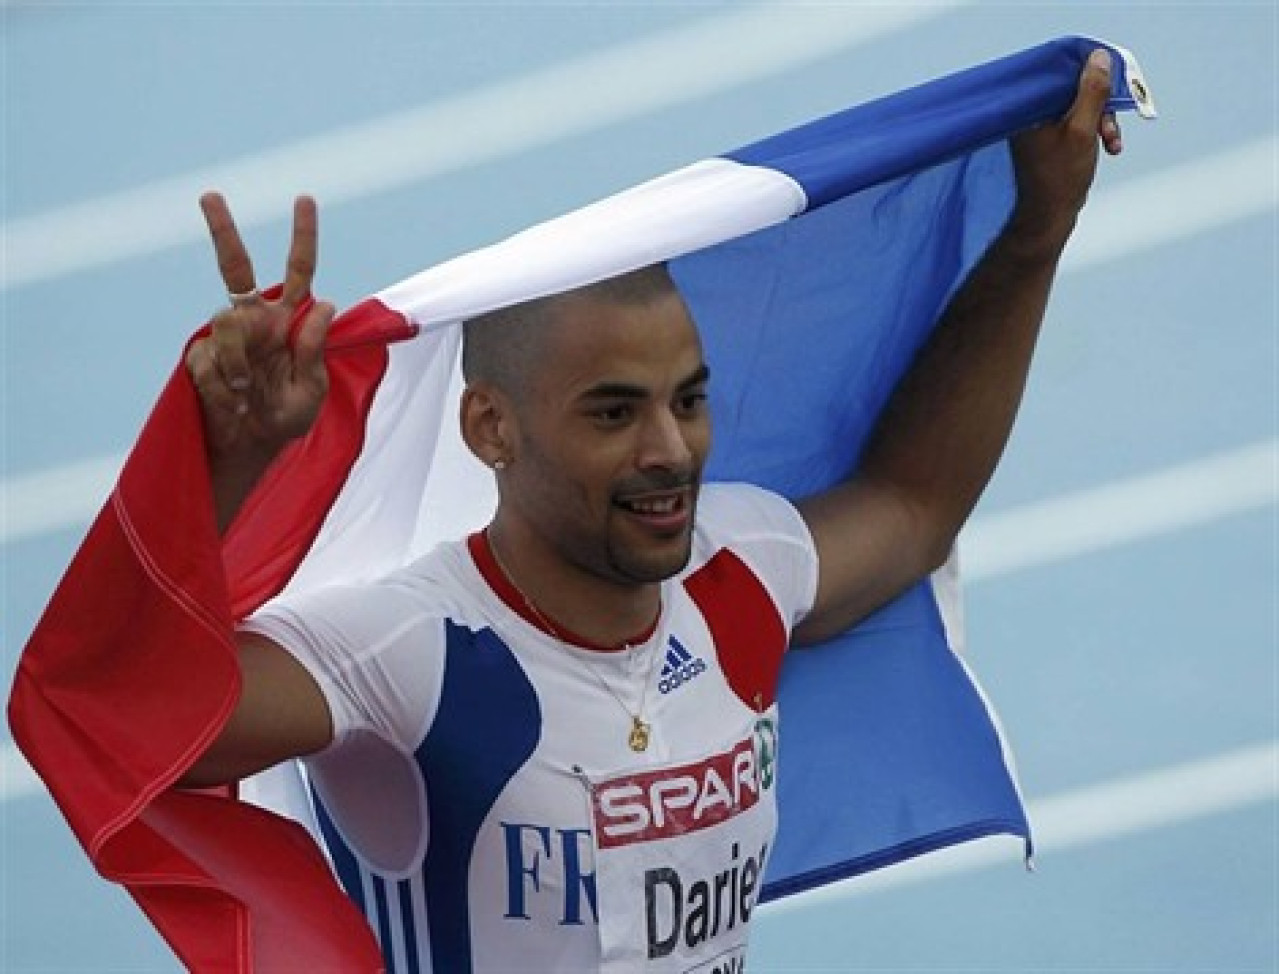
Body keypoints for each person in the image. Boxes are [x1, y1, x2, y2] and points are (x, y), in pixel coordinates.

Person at [178, 49, 1123, 973]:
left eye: (688, 399)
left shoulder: (741, 568)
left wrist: (1036, 231)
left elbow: (913, 507)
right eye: (613, 411)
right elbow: (151, 727)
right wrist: (235, 457)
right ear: (491, 427)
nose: (670, 449)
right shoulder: (408, 648)